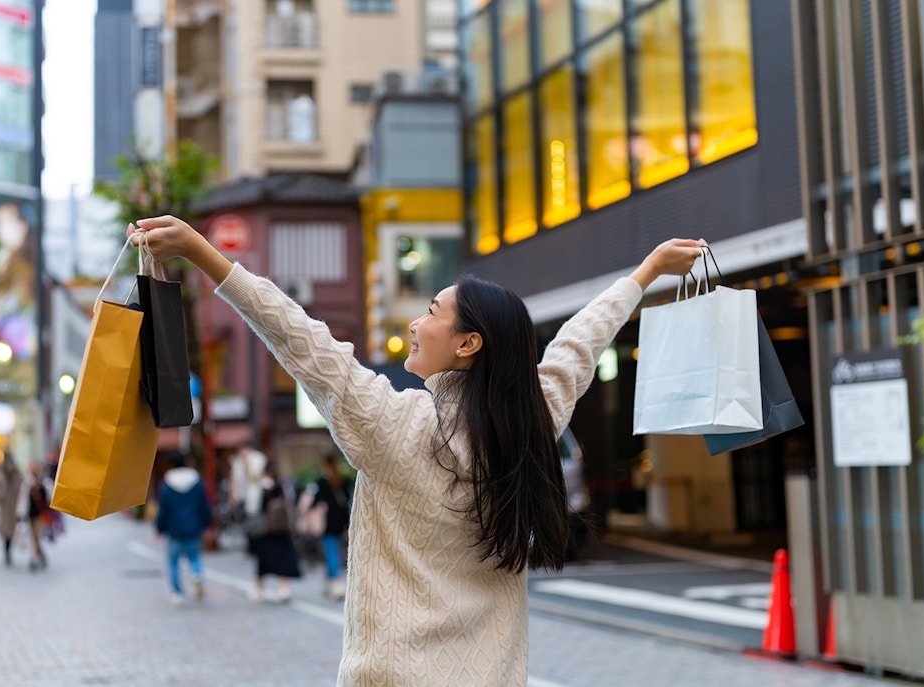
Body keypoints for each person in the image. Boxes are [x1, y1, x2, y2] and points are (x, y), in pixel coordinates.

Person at [129, 216, 705, 685]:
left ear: (467, 343)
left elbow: (299, 337)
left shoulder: (394, 424)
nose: (414, 322)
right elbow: (579, 344)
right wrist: (647, 271)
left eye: (431, 312)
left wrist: (204, 254)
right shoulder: (529, 421)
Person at [154, 452, 212, 605]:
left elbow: (163, 510)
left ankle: (177, 593)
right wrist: (207, 524)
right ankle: (197, 574)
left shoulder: (166, 485)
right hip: (194, 526)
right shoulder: (197, 482)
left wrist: (159, 528)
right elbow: (204, 505)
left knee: (173, 562)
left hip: (174, 528)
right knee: (194, 556)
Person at [247, 461, 300, 603]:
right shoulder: (283, 487)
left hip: (263, 530)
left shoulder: (258, 488)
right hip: (281, 530)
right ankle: (284, 589)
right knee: (283, 560)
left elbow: (251, 509)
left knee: (262, 562)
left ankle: (258, 590)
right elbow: (291, 508)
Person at [306, 453, 353, 601]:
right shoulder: (343, 480)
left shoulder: (321, 482)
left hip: (328, 522)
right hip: (342, 521)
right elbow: (347, 503)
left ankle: (337, 583)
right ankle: (328, 583)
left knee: (331, 552)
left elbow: (314, 502)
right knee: (333, 551)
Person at [0, 455, 23, 567]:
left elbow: (22, 492)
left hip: (15, 509)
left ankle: (9, 552)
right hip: (4, 510)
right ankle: (7, 553)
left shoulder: (18, 478)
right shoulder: (1, 478)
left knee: (12, 533)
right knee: (5, 533)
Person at [24, 462, 50, 571]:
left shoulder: (46, 484)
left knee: (37, 538)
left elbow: (48, 499)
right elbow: (23, 500)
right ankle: (42, 556)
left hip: (40, 515)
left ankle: (34, 560)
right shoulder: (27, 485)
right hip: (30, 515)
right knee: (34, 538)